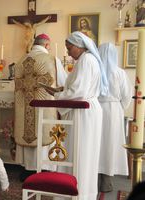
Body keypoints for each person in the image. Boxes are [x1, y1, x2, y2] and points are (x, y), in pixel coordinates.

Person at [45, 31, 109, 200]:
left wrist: (57, 95)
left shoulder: (86, 60)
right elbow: (77, 88)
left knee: (80, 151)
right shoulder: (86, 59)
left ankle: (77, 192)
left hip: (83, 111)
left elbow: (78, 91)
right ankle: (77, 191)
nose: (67, 52)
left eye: (69, 47)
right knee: (81, 151)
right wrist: (61, 91)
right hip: (85, 110)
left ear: (79, 45)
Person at [14, 33, 67, 181]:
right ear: (47, 45)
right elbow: (64, 83)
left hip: (25, 104)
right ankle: (45, 169)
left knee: (28, 130)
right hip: (44, 107)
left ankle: (27, 169)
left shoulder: (20, 61)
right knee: (42, 130)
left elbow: (17, 84)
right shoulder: (52, 59)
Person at [97, 43, 132, 192]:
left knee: (97, 142)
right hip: (113, 111)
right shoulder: (119, 73)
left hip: (97, 109)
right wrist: (119, 108)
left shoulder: (96, 71)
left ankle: (93, 178)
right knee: (110, 144)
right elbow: (127, 95)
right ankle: (106, 182)